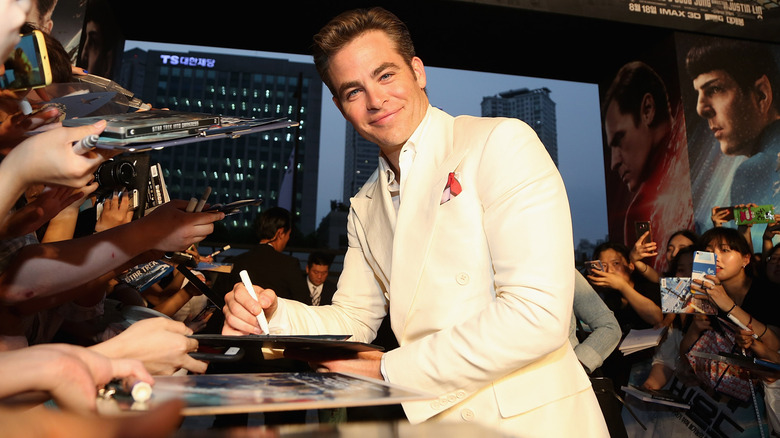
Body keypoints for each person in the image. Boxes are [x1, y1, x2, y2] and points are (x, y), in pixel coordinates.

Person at [223, 7, 608, 435]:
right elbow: (352, 318)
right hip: (437, 422)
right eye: (353, 91)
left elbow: (536, 315)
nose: (375, 100)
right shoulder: (365, 202)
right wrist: (274, 316)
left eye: (385, 75)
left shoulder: (499, 142)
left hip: (535, 422)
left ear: (417, 71)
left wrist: (389, 369)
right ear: (339, 106)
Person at [602, 61, 694, 274]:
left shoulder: (705, 165)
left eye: (619, 139)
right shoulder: (638, 212)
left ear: (648, 110)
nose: (614, 162)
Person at [686, 39, 780, 218]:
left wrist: (733, 220)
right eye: (699, 93)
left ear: (761, 94)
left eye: (714, 89)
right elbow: (772, 216)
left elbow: (753, 240)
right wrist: (735, 215)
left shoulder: (753, 171)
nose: (700, 108)